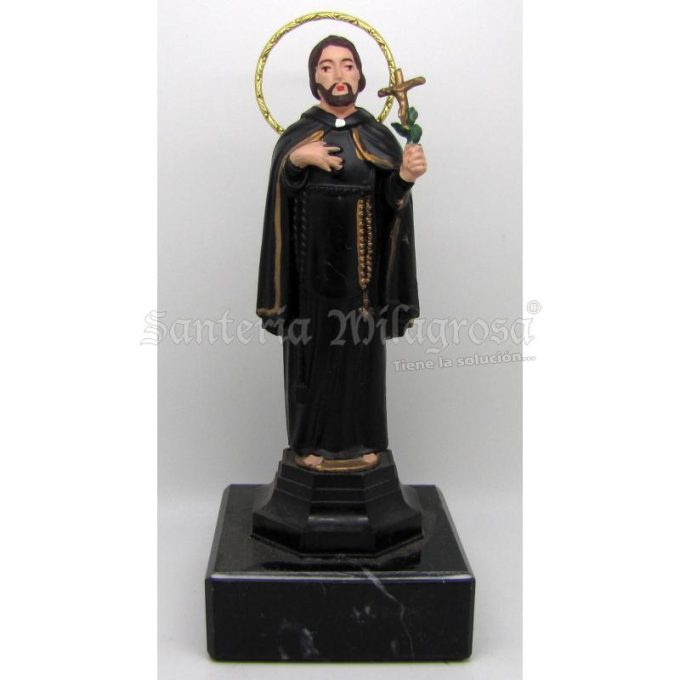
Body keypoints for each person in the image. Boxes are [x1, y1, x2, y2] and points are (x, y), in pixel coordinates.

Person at [256, 35, 427, 471]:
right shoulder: (299, 136)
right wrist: (298, 160)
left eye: (347, 65)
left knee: (361, 358)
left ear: (360, 75)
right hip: (310, 274)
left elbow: (391, 202)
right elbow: (281, 192)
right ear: (315, 77)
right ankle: (309, 444)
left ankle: (364, 441)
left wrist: (404, 178)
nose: (338, 75)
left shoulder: (376, 136)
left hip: (362, 275)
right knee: (312, 360)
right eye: (327, 66)